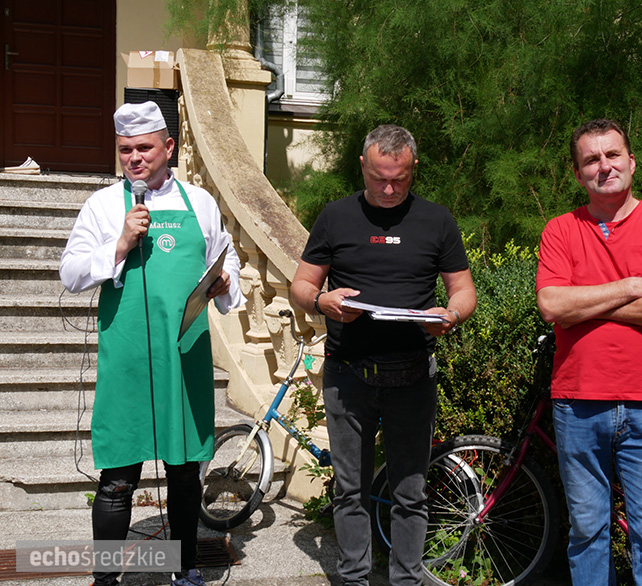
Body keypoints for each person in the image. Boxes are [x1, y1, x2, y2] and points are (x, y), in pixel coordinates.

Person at [60, 101, 245, 586]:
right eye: (125, 150)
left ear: (169, 147)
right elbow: (71, 273)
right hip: (127, 360)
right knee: (119, 476)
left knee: (185, 473)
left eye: (144, 148)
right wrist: (119, 244)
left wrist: (225, 284)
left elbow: (226, 261)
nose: (134, 158)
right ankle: (105, 579)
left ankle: (185, 571)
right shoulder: (102, 205)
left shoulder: (199, 202)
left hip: (184, 355)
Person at [290, 124, 476, 586]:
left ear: (413, 169)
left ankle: (405, 580)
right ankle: (353, 578)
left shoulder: (437, 220)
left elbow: (464, 291)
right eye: (378, 178)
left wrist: (450, 316)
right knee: (348, 489)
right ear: (363, 167)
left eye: (400, 179)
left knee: (410, 491)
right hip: (348, 374)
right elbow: (302, 284)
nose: (389, 188)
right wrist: (322, 303)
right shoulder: (335, 216)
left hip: (412, 374)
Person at [535, 118, 642, 585]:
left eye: (612, 155)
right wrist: (632, 287)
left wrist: (586, 303)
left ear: (631, 161)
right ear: (577, 172)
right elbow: (552, 305)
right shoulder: (561, 230)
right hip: (579, 403)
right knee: (587, 531)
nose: (604, 166)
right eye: (591, 159)